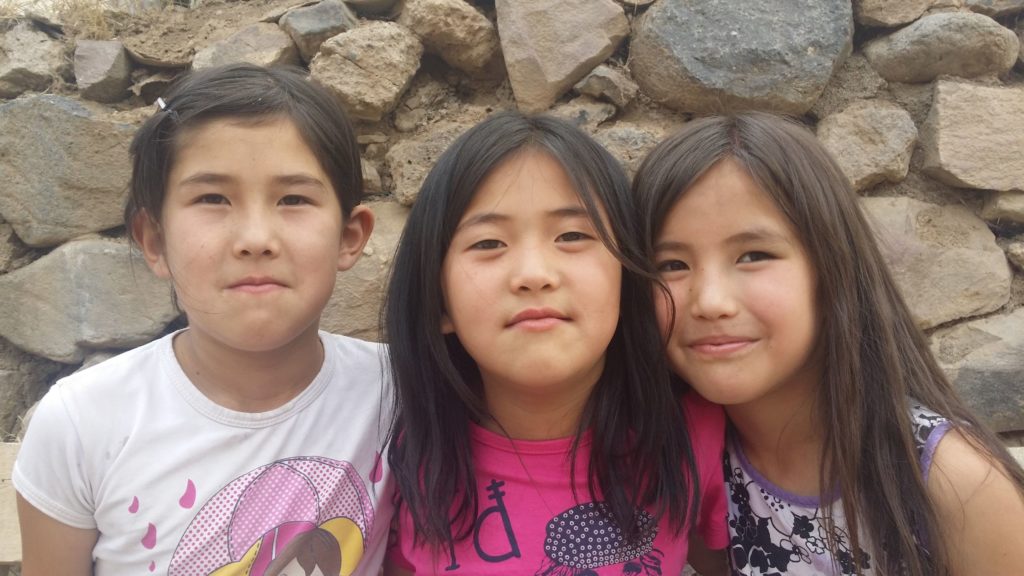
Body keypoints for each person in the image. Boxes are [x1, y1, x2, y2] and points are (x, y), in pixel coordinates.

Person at [13, 64, 393, 576]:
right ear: (154, 239)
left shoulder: (399, 395)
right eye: (212, 198)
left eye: (294, 199)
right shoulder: (83, 423)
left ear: (350, 236)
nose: (255, 238)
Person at [633, 111, 1024, 575]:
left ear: (831, 270)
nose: (710, 302)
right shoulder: (689, 463)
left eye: (754, 255)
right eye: (671, 264)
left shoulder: (954, 484)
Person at [382, 111, 728, 576]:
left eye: (572, 235)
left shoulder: (693, 439)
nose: (533, 275)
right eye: (488, 243)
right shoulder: (404, 457)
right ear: (438, 301)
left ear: (627, 281)